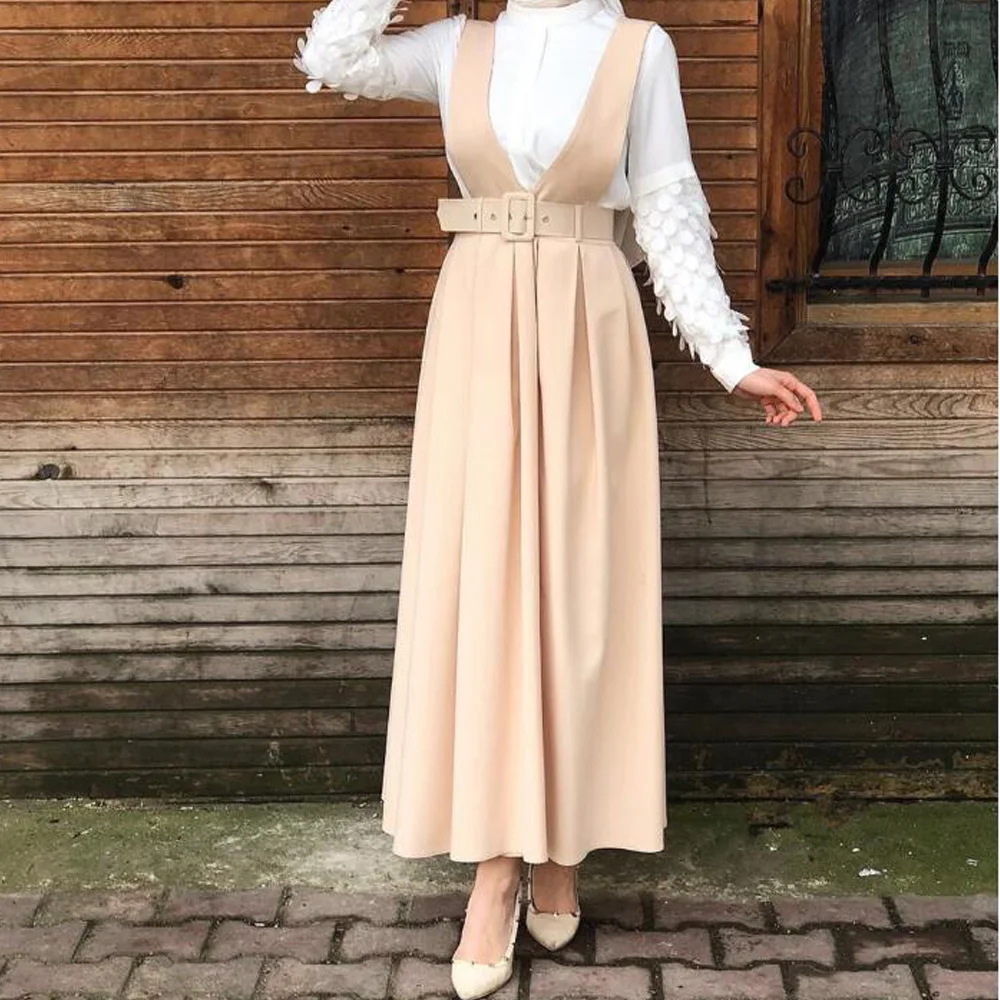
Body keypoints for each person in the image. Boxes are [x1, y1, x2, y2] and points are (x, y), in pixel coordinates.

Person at [293, 0, 823, 995]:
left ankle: (560, 847)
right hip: (478, 324)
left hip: (589, 328)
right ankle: (497, 870)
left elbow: (667, 205)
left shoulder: (637, 50)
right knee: (489, 588)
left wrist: (730, 358)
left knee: (580, 590)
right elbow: (336, 54)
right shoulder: (458, 46)